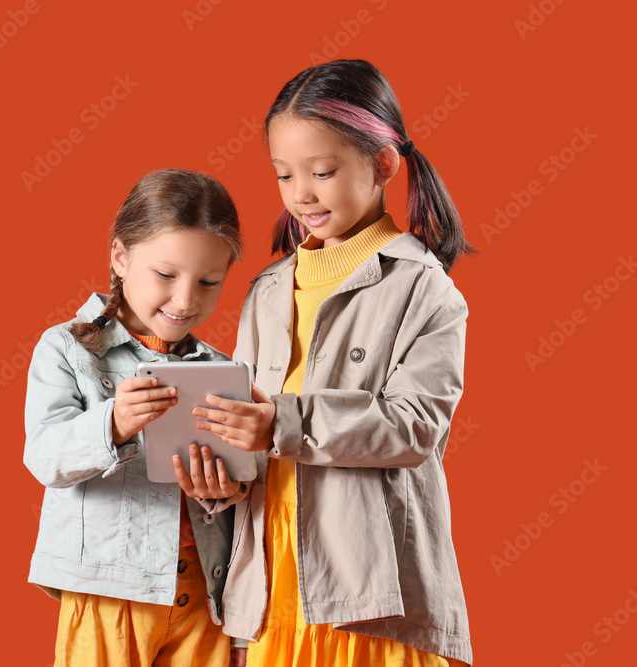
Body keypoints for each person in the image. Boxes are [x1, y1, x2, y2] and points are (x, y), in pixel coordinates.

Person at [186, 59, 475, 665]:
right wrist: (219, 477)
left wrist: (282, 424)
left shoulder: (424, 290)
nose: (301, 195)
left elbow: (416, 425)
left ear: (383, 165)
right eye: (284, 175)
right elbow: (248, 430)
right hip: (272, 592)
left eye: (322, 171)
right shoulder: (267, 289)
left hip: (371, 597)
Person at [24, 169, 248, 666]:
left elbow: (241, 494)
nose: (186, 300)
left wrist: (225, 493)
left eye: (209, 282)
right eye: (166, 275)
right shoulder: (67, 349)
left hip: (203, 591)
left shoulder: (221, 370)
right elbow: (44, 457)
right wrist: (113, 422)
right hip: (109, 588)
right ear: (121, 258)